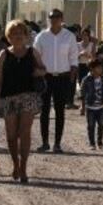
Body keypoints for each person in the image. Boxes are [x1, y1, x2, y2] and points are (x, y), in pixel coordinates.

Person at [0, 19, 45, 184]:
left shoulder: (32, 52)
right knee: (11, 135)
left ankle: (23, 167)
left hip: (28, 96)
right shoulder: (4, 54)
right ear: (9, 36)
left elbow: (44, 69)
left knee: (25, 132)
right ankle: (15, 163)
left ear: (26, 35)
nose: (18, 36)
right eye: (14, 34)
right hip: (8, 98)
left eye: (21, 33)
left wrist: (39, 72)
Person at [32, 9, 79, 154]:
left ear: (62, 18)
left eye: (57, 17)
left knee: (60, 111)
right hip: (46, 77)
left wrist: (72, 76)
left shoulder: (69, 36)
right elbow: (35, 56)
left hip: (63, 77)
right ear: (48, 19)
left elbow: (73, 57)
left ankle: (57, 143)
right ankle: (45, 142)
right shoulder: (41, 37)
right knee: (44, 111)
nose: (54, 20)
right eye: (51, 17)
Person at [80, 59, 103, 150]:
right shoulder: (86, 80)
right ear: (92, 69)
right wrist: (82, 107)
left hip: (100, 107)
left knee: (102, 124)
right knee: (91, 125)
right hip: (90, 107)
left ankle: (100, 141)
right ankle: (92, 143)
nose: (101, 69)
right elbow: (82, 93)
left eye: (101, 67)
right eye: (98, 68)